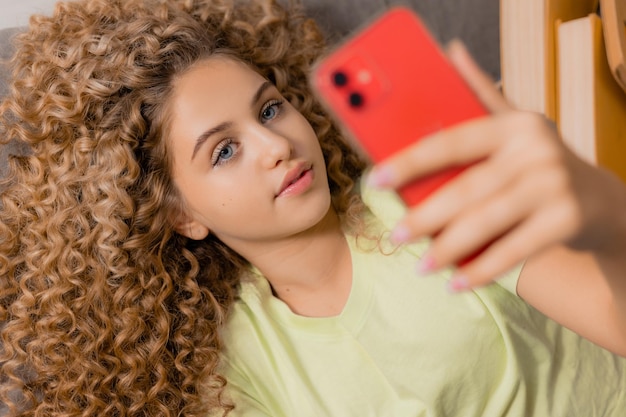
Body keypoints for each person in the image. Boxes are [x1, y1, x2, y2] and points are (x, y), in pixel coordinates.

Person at [0, 0, 624, 416]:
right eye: (223, 151)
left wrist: (607, 217)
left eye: (270, 109)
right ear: (180, 216)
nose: (277, 145)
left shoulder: (413, 195)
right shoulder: (232, 363)